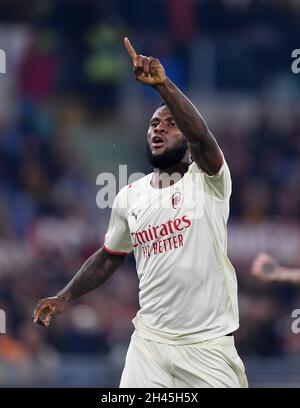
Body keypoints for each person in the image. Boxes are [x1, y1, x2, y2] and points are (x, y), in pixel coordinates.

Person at [33, 37, 248, 388]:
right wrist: (65, 296)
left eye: (169, 123)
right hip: (149, 345)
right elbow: (109, 257)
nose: (158, 128)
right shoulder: (130, 196)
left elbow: (203, 138)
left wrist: (162, 86)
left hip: (208, 346)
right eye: (152, 124)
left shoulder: (208, 179)